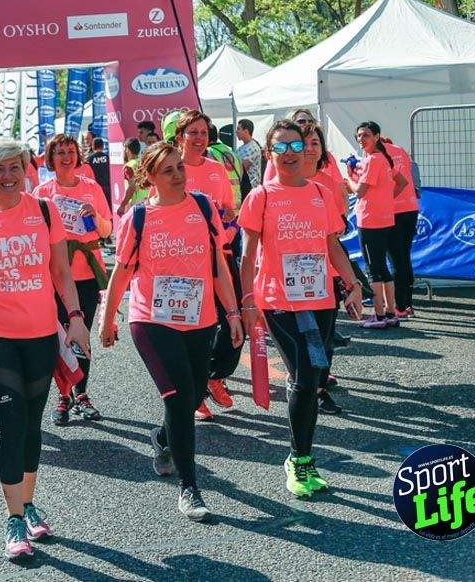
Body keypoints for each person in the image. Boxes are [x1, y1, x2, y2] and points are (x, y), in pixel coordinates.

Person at [0, 136, 90, 561]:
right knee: (10, 424)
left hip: (40, 335)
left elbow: (62, 272)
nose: (8, 176)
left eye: (15, 167)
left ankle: (28, 505)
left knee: (31, 425)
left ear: (27, 169)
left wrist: (76, 318)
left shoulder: (45, 211)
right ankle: (13, 518)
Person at [99, 142, 242, 521]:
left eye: (180, 167)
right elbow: (122, 271)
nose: (178, 175)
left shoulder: (202, 207)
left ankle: (164, 439)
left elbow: (218, 268)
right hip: (152, 320)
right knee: (178, 398)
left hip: (198, 318)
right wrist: (107, 317)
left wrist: (233, 313)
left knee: (194, 393)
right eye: (168, 170)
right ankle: (190, 486)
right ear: (150, 178)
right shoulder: (139, 217)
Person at [239, 121, 362, 498]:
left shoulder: (321, 194)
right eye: (280, 147)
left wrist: (352, 285)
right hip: (278, 300)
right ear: (269, 154)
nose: (290, 153)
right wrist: (246, 303)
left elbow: (332, 246)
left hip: (321, 298)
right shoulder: (260, 196)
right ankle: (299, 460)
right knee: (306, 377)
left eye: (295, 145)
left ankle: (303, 457)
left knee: (316, 378)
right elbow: (246, 257)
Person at [33, 134, 112, 425]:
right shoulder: (42, 192)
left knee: (82, 335)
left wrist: (95, 216)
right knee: (60, 337)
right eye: (60, 152)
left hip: (87, 273)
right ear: (50, 158)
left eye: (71, 151)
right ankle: (62, 396)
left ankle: (81, 394)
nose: (66, 157)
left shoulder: (91, 188)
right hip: (56, 274)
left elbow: (105, 231)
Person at [175, 111, 239, 420]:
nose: (200, 138)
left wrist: (229, 227)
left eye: (203, 132)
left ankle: (216, 375)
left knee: (233, 318)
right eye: (193, 133)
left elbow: (228, 210)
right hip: (186, 261)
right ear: (180, 137)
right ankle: (196, 392)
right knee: (196, 328)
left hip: (220, 254)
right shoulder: (172, 169)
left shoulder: (216, 170)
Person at [301, 124, 349, 413]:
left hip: (326, 272)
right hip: (290, 278)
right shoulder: (281, 182)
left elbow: (336, 230)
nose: (309, 148)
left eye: (315, 143)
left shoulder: (328, 181)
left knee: (325, 334)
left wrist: (350, 281)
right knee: (304, 336)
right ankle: (306, 383)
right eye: (303, 142)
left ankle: (318, 388)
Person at [343, 122, 407, 329]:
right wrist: (386, 201)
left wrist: (348, 181)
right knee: (382, 268)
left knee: (374, 269)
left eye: (366, 135)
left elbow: (359, 191)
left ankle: (379, 315)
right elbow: (403, 182)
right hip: (384, 218)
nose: (361, 139)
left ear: (377, 136)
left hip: (370, 220)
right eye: (359, 136)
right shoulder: (383, 159)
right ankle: (389, 312)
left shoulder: (373, 160)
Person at [382, 137, 419, 318]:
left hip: (393, 209)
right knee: (404, 257)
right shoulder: (401, 150)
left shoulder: (377, 154)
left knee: (396, 259)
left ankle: (400, 305)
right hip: (410, 208)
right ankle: (407, 304)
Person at [116, 138, 148, 217]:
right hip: (147, 200)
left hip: (136, 204)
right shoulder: (143, 162)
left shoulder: (129, 166)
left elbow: (131, 187)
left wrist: (122, 205)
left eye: (124, 149)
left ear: (127, 150)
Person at [235, 118, 264, 188]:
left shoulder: (252, 147)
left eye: (238, 129)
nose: (236, 132)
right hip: (244, 186)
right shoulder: (241, 148)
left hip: (250, 188)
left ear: (246, 131)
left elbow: (241, 168)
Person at [86, 137, 112, 209]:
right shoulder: (108, 157)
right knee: (108, 209)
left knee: (98, 209)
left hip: (95, 189)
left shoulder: (89, 159)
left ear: (93, 146)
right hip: (108, 188)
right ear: (103, 146)